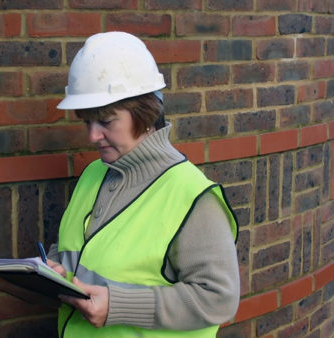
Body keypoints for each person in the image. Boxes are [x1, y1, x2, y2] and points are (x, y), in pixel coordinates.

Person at [45, 31, 240, 337]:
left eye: (106, 122)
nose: (92, 136)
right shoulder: (94, 173)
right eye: (86, 121)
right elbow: (73, 249)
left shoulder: (191, 196)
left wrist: (118, 306)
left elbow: (219, 299)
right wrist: (53, 268)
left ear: (146, 113)